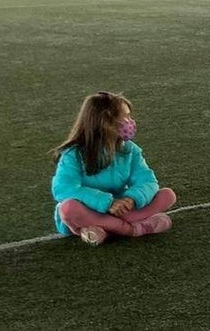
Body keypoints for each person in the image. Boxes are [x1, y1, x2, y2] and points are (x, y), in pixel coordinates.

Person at [51, 92, 177, 246]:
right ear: (106, 122)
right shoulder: (73, 154)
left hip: (121, 209)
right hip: (87, 209)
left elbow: (148, 181)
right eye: (126, 117)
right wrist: (107, 203)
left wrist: (131, 199)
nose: (131, 122)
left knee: (167, 195)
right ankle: (130, 229)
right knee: (68, 208)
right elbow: (64, 189)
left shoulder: (130, 150)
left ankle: (103, 229)